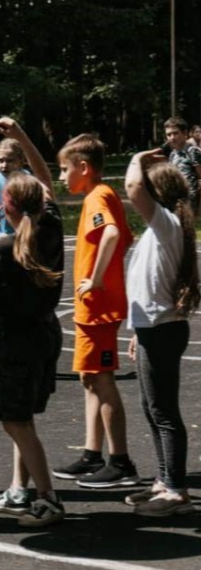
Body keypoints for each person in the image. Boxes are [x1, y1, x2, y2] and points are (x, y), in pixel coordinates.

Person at [0, 117, 67, 527]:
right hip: (47, 335)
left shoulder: (5, 248)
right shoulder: (51, 226)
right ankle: (20, 489)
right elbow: (44, 177)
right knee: (24, 417)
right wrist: (21, 134)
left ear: (6, 205)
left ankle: (47, 497)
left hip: (19, 344)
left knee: (14, 420)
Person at [52, 133, 138, 488]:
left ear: (83, 168)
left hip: (98, 308)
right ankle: (92, 455)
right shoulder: (97, 197)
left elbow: (115, 234)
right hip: (93, 308)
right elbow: (124, 234)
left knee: (102, 380)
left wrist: (97, 278)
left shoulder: (99, 196)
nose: (60, 177)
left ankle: (120, 462)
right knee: (90, 379)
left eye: (63, 170)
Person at [122, 150, 199, 516]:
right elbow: (148, 286)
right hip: (152, 327)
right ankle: (164, 480)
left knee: (164, 411)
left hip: (164, 330)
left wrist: (137, 157)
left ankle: (176, 490)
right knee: (152, 408)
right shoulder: (161, 227)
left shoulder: (167, 223)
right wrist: (138, 330)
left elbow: (133, 186)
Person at [162, 116, 201, 211]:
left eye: (175, 133)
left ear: (185, 134)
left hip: (190, 198)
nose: (172, 137)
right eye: (169, 135)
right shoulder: (172, 154)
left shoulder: (192, 151)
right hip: (176, 197)